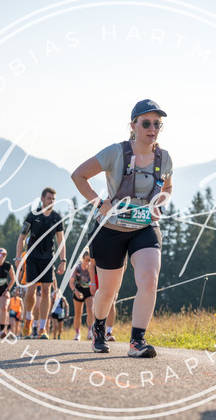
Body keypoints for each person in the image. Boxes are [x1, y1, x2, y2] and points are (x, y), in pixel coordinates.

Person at [71, 99, 173, 357]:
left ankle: (137, 341)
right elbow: (78, 175)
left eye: (157, 124)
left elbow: (168, 186)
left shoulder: (164, 158)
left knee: (149, 278)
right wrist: (99, 204)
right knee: (108, 291)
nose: (152, 129)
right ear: (133, 126)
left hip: (144, 228)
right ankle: (98, 327)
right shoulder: (115, 153)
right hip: (111, 230)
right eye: (146, 123)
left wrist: (160, 203)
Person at [15, 188, 67, 340]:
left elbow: (61, 240)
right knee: (30, 291)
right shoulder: (33, 215)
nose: (51, 201)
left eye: (53, 199)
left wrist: (63, 261)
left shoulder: (57, 217)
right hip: (32, 258)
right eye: (49, 198)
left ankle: (42, 328)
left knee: (46, 291)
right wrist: (18, 258)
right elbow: (22, 237)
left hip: (48, 259)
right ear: (42, 199)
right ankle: (28, 318)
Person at [89, 256, 118, 342]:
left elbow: (124, 264)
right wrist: (93, 283)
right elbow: (92, 264)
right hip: (98, 276)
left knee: (112, 303)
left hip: (113, 275)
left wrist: (117, 285)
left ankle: (109, 332)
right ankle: (97, 330)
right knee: (98, 304)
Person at [69, 250, 95, 341]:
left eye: (89, 260)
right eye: (86, 260)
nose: (87, 262)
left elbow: (94, 280)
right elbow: (71, 283)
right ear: (82, 259)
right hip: (78, 289)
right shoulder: (77, 268)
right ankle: (77, 333)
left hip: (88, 290)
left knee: (90, 310)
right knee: (78, 313)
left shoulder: (91, 268)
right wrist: (76, 292)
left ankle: (90, 331)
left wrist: (90, 270)